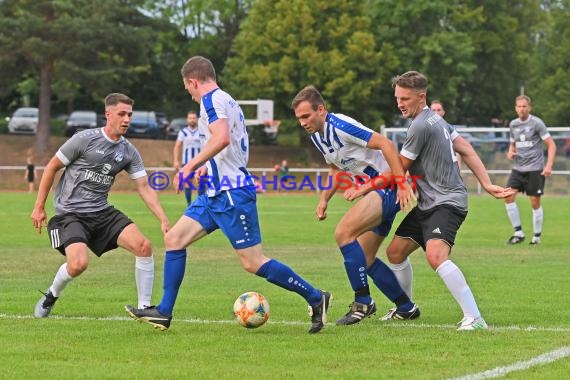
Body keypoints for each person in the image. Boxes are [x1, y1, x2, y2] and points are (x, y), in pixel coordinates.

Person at [125, 56, 331, 334]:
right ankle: (164, 311)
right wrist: (206, 169)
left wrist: (189, 166)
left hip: (232, 193)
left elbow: (222, 138)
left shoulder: (211, 101)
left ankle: (316, 297)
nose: (188, 91)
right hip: (215, 191)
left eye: (187, 86)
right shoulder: (226, 100)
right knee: (174, 239)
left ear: (192, 81)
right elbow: (223, 144)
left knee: (252, 262)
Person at [385, 71, 514, 330]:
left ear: (421, 97)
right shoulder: (438, 121)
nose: (400, 103)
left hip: (446, 201)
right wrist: (486, 183)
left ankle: (475, 318)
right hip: (429, 203)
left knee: (435, 255)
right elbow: (466, 149)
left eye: (405, 98)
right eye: (397, 98)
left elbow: (401, 167)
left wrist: (366, 183)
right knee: (395, 252)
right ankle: (406, 307)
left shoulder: (420, 125)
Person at [31, 93, 170, 318]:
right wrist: (39, 206)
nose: (126, 119)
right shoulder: (84, 139)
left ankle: (145, 309)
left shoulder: (128, 151)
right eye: (121, 114)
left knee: (143, 246)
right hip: (70, 214)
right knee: (78, 264)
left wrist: (163, 218)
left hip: (101, 211)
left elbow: (144, 187)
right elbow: (51, 167)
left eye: (130, 115)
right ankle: (51, 296)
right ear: (108, 114)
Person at [292, 85, 420, 325]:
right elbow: (335, 169)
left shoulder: (340, 126)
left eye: (306, 116)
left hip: (387, 187)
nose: (302, 122)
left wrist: (402, 183)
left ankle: (363, 302)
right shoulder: (317, 137)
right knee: (365, 257)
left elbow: (386, 144)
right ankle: (406, 307)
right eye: (299, 118)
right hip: (374, 192)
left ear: (321, 110)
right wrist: (324, 199)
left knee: (343, 233)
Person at [504, 95, 556, 245]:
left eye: (524, 106)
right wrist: (510, 152)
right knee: (508, 196)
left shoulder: (537, 123)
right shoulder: (513, 124)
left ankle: (536, 237)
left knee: (534, 202)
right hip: (518, 168)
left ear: (529, 107)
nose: (521, 109)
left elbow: (551, 145)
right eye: (519, 106)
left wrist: (549, 165)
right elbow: (512, 144)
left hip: (535, 168)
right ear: (515, 108)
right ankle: (518, 233)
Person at [173, 110, 204, 204]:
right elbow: (177, 146)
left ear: (197, 119)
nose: (192, 120)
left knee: (201, 183)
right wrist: (176, 160)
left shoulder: (201, 131)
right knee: (187, 183)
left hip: (200, 162)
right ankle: (189, 205)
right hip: (187, 162)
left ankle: (200, 204)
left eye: (194, 118)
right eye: (190, 118)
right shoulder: (183, 132)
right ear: (187, 119)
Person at [430, 100, 462, 169]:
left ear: (443, 112)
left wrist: (458, 171)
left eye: (438, 110)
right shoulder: (423, 129)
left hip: (446, 170)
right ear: (429, 112)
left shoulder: (450, 129)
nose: (436, 112)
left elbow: (458, 151)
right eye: (433, 110)